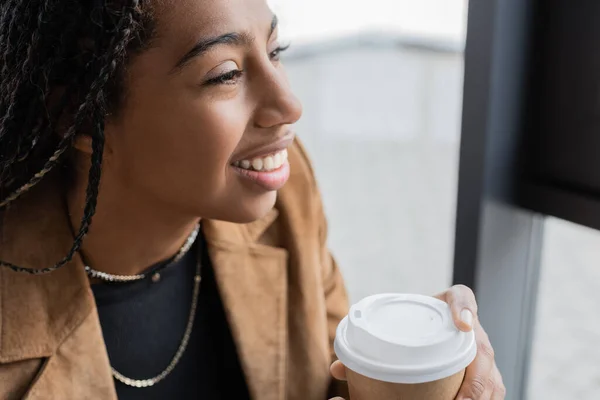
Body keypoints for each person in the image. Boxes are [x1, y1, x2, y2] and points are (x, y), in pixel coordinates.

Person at [0, 0, 505, 399]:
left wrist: (421, 372)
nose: (289, 104)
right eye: (226, 74)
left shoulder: (285, 197)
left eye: (275, 50)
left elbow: (332, 382)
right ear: (80, 115)